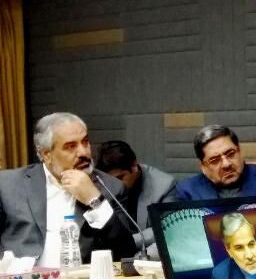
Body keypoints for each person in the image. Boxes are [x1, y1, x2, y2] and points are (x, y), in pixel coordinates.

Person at [0, 112, 137, 264]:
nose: (84, 152)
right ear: (47, 155)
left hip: (80, 278)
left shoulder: (111, 187)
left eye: (85, 142)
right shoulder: (8, 185)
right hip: (22, 277)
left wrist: (94, 200)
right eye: (71, 146)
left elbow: (126, 253)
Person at [96, 140, 177, 251]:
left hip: (148, 251)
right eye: (110, 179)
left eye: (120, 178)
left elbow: (167, 227)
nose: (115, 184)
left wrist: (128, 242)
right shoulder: (101, 185)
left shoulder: (164, 185)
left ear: (134, 166)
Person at [176, 125, 256, 201]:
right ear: (203, 166)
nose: (226, 164)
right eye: (215, 160)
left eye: (230, 154)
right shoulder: (188, 190)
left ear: (239, 151)